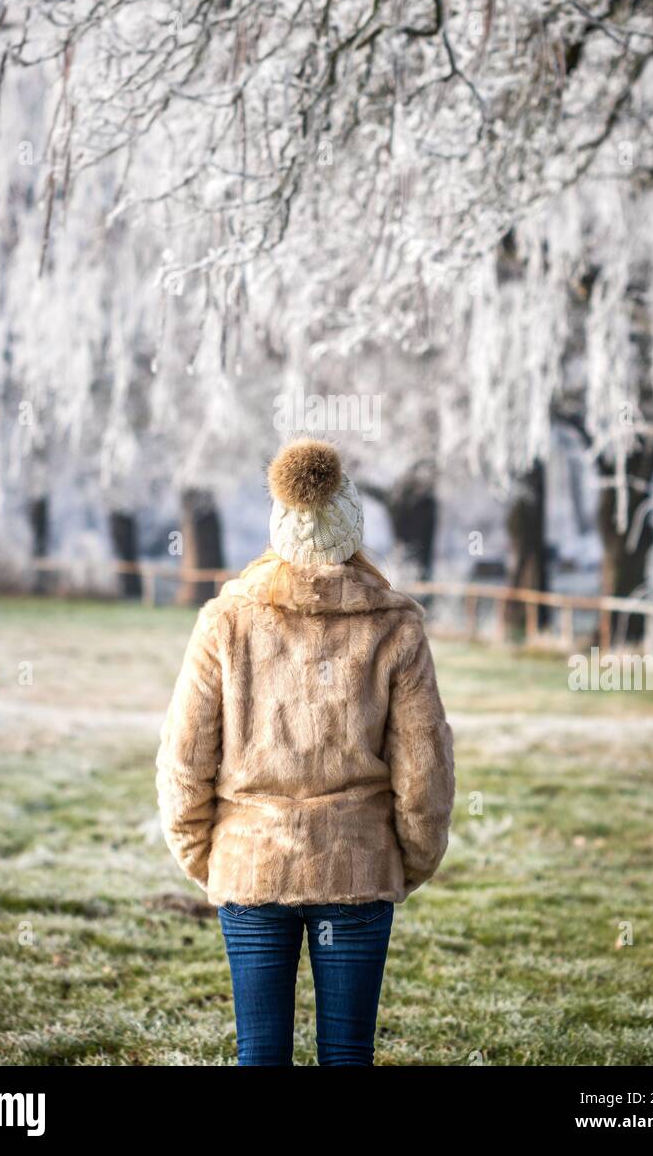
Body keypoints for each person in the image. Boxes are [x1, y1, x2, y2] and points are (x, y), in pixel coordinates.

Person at [156, 438, 455, 1066]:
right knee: (347, 1054)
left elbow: (183, 758)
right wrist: (412, 858)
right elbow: (425, 767)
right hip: (359, 865)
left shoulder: (225, 622)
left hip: (250, 865)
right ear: (351, 526)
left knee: (260, 1054)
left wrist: (205, 857)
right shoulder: (396, 626)